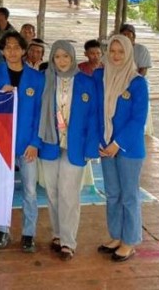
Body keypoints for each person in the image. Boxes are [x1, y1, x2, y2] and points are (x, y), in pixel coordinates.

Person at [37, 40, 98, 261]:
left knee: (69, 194)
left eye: (66, 56)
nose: (61, 61)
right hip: (50, 144)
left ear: (73, 58)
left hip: (76, 146)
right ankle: (57, 233)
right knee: (52, 192)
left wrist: (91, 148)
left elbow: (94, 117)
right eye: (57, 57)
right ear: (52, 59)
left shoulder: (86, 82)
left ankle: (68, 242)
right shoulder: (46, 79)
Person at [95, 34, 149, 263]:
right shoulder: (101, 76)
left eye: (121, 52)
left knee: (129, 196)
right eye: (113, 51)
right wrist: (100, 140)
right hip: (105, 146)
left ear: (129, 55)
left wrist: (117, 144)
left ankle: (130, 240)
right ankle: (116, 235)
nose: (116, 56)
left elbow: (138, 120)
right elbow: (95, 111)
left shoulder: (137, 83)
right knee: (113, 194)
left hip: (128, 149)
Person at [0, 31, 45, 253]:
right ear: (2, 50)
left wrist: (35, 142)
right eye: (7, 47)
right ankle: (2, 230)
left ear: (24, 50)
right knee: (2, 189)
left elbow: (41, 114)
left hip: (27, 144)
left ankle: (28, 233)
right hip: (2, 142)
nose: (12, 51)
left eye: (16, 47)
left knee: (30, 191)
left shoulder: (37, 78)